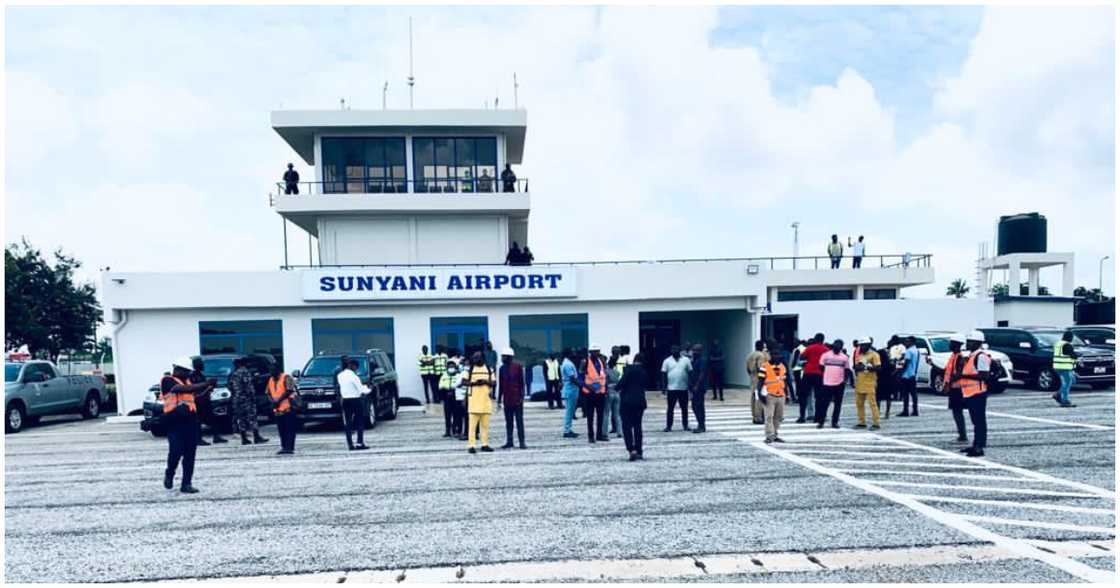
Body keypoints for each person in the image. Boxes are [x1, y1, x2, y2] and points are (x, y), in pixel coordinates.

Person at [162, 356, 214, 493]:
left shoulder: (187, 382)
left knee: (190, 454)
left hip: (190, 421)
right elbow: (180, 390)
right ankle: (170, 473)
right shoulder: (167, 380)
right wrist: (205, 383)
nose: (188, 374)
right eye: (186, 371)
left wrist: (207, 388)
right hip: (174, 421)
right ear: (177, 369)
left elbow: (193, 396)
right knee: (176, 451)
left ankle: (186, 484)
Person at [954, 331, 991, 457]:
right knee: (976, 421)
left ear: (977, 343)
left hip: (978, 393)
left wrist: (963, 375)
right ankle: (976, 444)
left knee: (979, 421)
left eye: (970, 341)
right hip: (970, 393)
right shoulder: (971, 356)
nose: (967, 343)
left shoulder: (980, 356)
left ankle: (979, 447)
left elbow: (984, 375)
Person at [617, 353, 649, 461]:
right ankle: (639, 450)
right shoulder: (644, 372)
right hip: (640, 401)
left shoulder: (629, 370)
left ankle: (631, 449)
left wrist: (615, 387)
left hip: (627, 401)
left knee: (626, 426)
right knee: (637, 426)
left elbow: (622, 383)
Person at [229, 358, 267, 445]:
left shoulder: (233, 373)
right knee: (252, 417)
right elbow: (248, 386)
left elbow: (229, 386)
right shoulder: (244, 372)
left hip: (236, 398)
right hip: (246, 398)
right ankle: (256, 437)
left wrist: (235, 394)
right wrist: (253, 396)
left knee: (240, 418)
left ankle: (244, 438)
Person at [190, 357, 227, 445]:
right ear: (197, 365)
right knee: (198, 421)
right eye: (201, 364)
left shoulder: (200, 375)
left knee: (212, 419)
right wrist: (208, 387)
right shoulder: (193, 376)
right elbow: (196, 390)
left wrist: (210, 387)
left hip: (205, 400)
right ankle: (198, 439)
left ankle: (216, 437)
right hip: (198, 401)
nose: (203, 365)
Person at [465, 352, 496, 453]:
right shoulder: (470, 370)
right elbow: (463, 382)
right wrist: (475, 383)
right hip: (473, 402)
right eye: (474, 358)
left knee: (485, 426)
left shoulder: (488, 369)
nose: (475, 360)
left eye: (477, 358)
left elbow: (494, 382)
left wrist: (485, 382)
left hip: (485, 402)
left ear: (482, 358)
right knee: (472, 427)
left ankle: (485, 444)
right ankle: (471, 446)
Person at [817, 339, 851, 429]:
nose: (837, 347)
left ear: (841, 347)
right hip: (827, 383)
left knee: (838, 404)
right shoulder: (826, 355)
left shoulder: (844, 357)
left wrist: (845, 380)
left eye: (839, 346)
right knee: (824, 403)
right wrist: (828, 374)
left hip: (839, 383)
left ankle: (834, 422)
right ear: (833, 346)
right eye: (836, 345)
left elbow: (847, 369)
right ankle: (821, 422)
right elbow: (820, 366)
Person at [757, 351, 790, 444]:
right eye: (775, 354)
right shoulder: (764, 366)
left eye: (778, 354)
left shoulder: (782, 367)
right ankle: (769, 435)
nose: (777, 356)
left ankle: (775, 434)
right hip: (769, 394)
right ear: (770, 356)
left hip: (781, 394)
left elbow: (785, 381)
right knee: (769, 416)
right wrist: (759, 394)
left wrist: (787, 394)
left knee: (778, 417)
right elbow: (760, 381)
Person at [498, 348, 527, 449]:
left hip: (517, 399)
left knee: (519, 421)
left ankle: (522, 442)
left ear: (509, 357)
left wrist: (522, 397)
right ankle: (509, 441)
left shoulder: (518, 367)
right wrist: (499, 399)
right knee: (508, 422)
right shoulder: (501, 369)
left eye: (504, 356)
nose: (502, 358)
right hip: (507, 399)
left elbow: (522, 384)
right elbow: (501, 385)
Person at [338, 359, 370, 451]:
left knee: (348, 422)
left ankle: (350, 444)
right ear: (353, 366)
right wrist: (369, 388)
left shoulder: (340, 375)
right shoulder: (354, 377)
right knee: (359, 421)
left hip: (345, 400)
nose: (356, 369)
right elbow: (361, 390)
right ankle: (359, 443)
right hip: (356, 400)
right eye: (356, 367)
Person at [942, 334, 969, 443]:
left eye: (951, 343)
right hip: (953, 388)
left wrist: (949, 383)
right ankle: (961, 434)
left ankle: (962, 435)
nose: (949, 345)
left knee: (957, 412)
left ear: (956, 344)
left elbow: (959, 373)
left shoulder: (959, 357)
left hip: (957, 389)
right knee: (956, 412)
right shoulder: (953, 356)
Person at [580, 345, 609, 443]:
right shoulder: (585, 362)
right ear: (590, 352)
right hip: (589, 393)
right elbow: (580, 377)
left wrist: (605, 389)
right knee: (590, 416)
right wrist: (587, 386)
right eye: (594, 351)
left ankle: (599, 435)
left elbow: (604, 375)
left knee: (600, 415)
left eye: (597, 351)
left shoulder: (601, 362)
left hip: (600, 392)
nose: (596, 353)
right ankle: (591, 436)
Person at [267, 363, 299, 454]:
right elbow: (268, 392)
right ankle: (284, 447)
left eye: (273, 370)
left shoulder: (286, 377)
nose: (271, 372)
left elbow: (289, 390)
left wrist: (278, 401)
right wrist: (272, 402)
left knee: (290, 429)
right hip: (278, 410)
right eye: (270, 370)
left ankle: (289, 447)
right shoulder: (271, 380)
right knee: (282, 430)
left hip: (288, 408)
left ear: (278, 370)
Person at [660, 345, 692, 432]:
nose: (674, 351)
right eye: (673, 349)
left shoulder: (686, 360)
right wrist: (663, 387)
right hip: (671, 388)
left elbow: (690, 372)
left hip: (683, 388)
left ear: (680, 350)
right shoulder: (667, 361)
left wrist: (691, 386)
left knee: (684, 408)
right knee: (670, 409)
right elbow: (663, 374)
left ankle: (685, 426)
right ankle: (668, 426)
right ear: (670, 350)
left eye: (676, 349)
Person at [798, 334, 828, 423]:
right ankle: (818, 417)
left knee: (803, 395)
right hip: (820, 374)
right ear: (823, 340)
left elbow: (802, 357)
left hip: (808, 373)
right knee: (819, 397)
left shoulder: (810, 348)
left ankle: (802, 416)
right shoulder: (826, 350)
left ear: (815, 339)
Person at [852, 338, 881, 430]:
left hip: (870, 382)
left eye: (863, 345)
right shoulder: (859, 355)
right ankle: (861, 422)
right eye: (860, 345)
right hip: (860, 381)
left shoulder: (874, 355)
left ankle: (876, 423)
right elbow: (856, 366)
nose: (861, 347)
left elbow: (878, 368)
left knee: (872, 403)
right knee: (859, 403)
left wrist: (868, 367)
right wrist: (858, 367)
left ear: (868, 345)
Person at [745, 340, 769, 425]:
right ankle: (759, 417)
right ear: (762, 347)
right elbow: (761, 368)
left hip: (752, 378)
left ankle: (754, 416)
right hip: (759, 379)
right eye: (764, 346)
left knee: (753, 398)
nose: (765, 348)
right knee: (759, 398)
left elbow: (747, 369)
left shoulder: (750, 355)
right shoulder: (761, 356)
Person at [1053, 330, 1079, 408]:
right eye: (1072, 337)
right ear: (1069, 337)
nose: (1072, 339)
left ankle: (1058, 394)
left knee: (1071, 381)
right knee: (1067, 384)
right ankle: (1064, 401)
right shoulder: (1067, 345)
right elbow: (1073, 355)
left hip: (1058, 366)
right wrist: (1077, 355)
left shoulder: (1058, 344)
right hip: (1065, 367)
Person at [897, 337, 920, 417]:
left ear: (911, 342)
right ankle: (915, 410)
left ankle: (905, 411)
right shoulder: (916, 350)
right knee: (914, 394)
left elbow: (906, 363)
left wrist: (900, 372)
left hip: (906, 375)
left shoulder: (909, 351)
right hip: (912, 374)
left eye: (907, 341)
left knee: (905, 394)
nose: (905, 343)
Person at [560, 348, 581, 438]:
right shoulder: (568, 364)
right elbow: (572, 378)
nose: (574, 353)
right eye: (572, 352)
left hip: (572, 389)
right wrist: (582, 386)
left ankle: (568, 429)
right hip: (571, 390)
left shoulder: (567, 362)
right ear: (568, 354)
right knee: (569, 411)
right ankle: (567, 430)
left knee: (571, 411)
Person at [603, 348, 623, 438]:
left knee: (606, 413)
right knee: (617, 414)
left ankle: (605, 432)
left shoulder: (605, 372)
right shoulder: (617, 372)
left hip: (609, 393)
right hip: (617, 393)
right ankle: (620, 432)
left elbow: (605, 383)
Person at [438, 360, 461, 438]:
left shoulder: (458, 375)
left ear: (455, 367)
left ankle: (455, 430)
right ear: (447, 367)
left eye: (452, 366)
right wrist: (445, 392)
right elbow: (440, 386)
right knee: (447, 415)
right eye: (449, 367)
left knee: (456, 415)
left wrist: (453, 391)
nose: (451, 368)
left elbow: (460, 385)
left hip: (456, 397)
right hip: (446, 397)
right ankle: (447, 431)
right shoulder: (444, 376)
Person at [688, 343, 708, 433]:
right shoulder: (695, 360)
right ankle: (700, 424)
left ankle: (701, 425)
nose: (694, 352)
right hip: (694, 386)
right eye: (693, 350)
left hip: (699, 387)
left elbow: (702, 373)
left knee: (697, 406)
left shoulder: (702, 360)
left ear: (700, 351)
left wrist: (697, 385)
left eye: (696, 350)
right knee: (696, 406)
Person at [877, 336, 897, 419]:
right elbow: (894, 368)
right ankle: (887, 412)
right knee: (888, 397)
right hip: (889, 379)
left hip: (881, 379)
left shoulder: (880, 363)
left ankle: (878, 412)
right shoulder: (890, 360)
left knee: (879, 397)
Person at [789, 339, 806, 407]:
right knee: (800, 384)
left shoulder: (798, 349)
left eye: (794, 342)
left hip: (798, 369)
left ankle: (799, 398)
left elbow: (795, 359)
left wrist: (792, 366)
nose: (793, 344)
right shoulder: (804, 348)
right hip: (802, 369)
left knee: (798, 384)